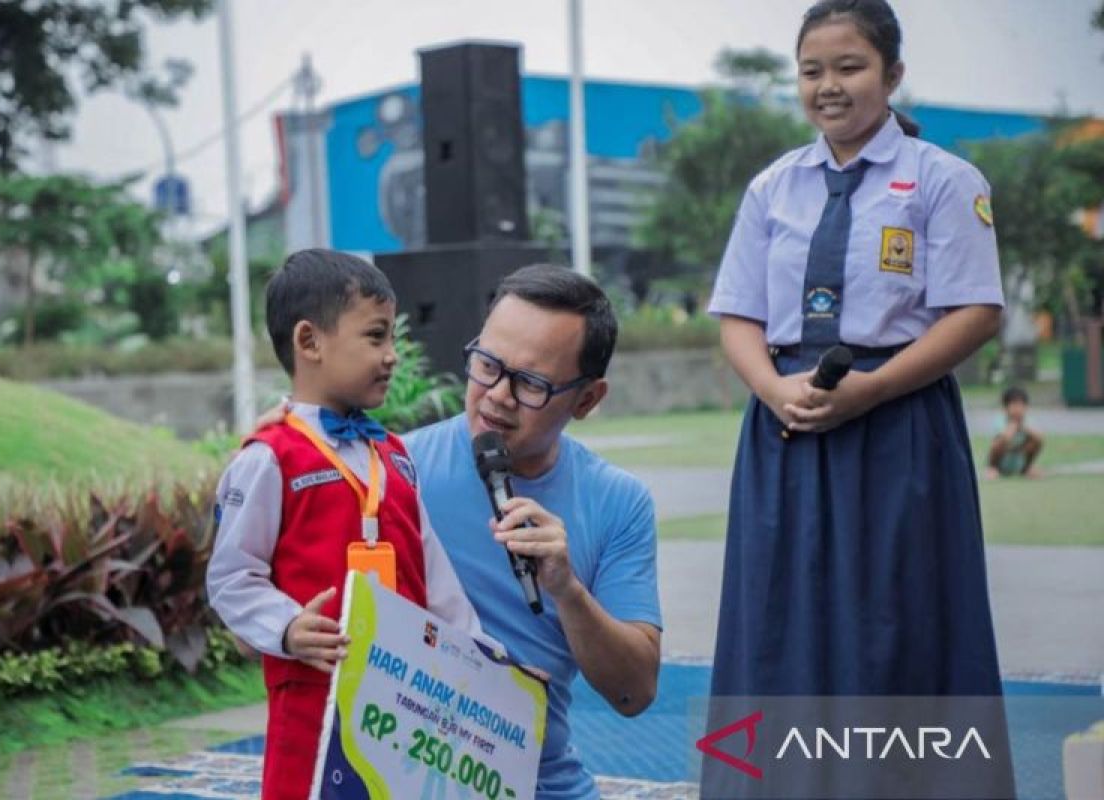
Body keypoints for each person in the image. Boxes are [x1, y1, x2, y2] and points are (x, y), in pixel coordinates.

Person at [704, 0, 1014, 793]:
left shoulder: (943, 181)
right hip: (785, 428)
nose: (828, 87)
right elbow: (737, 312)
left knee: (895, 622)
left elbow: (976, 310)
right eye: (812, 71)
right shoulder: (773, 187)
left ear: (893, 74)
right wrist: (774, 389)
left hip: (897, 427)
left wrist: (871, 391)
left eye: (850, 67)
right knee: (776, 620)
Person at [206, 249, 488, 800]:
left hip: (405, 708)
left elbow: (433, 574)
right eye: (376, 337)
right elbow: (230, 576)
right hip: (313, 706)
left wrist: (485, 665)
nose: (391, 356)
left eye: (392, 340)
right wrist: (286, 627)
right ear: (309, 342)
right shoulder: (271, 457)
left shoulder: (393, 455)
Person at [403, 265, 662, 799]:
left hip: (539, 781)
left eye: (531, 383)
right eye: (487, 365)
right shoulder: (397, 470)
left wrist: (567, 590)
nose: (497, 395)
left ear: (587, 400)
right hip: (403, 771)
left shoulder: (618, 503)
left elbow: (634, 694)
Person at [986, 386, 1043, 478]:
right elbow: (1002, 439)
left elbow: (1039, 438)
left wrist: (1023, 428)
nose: (1018, 409)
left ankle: (1026, 468)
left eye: (1021, 405)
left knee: (1036, 440)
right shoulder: (1000, 421)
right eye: (1014, 405)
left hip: (1019, 459)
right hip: (1002, 461)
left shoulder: (1027, 421)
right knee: (998, 443)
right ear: (1005, 408)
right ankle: (992, 469)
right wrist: (1013, 427)